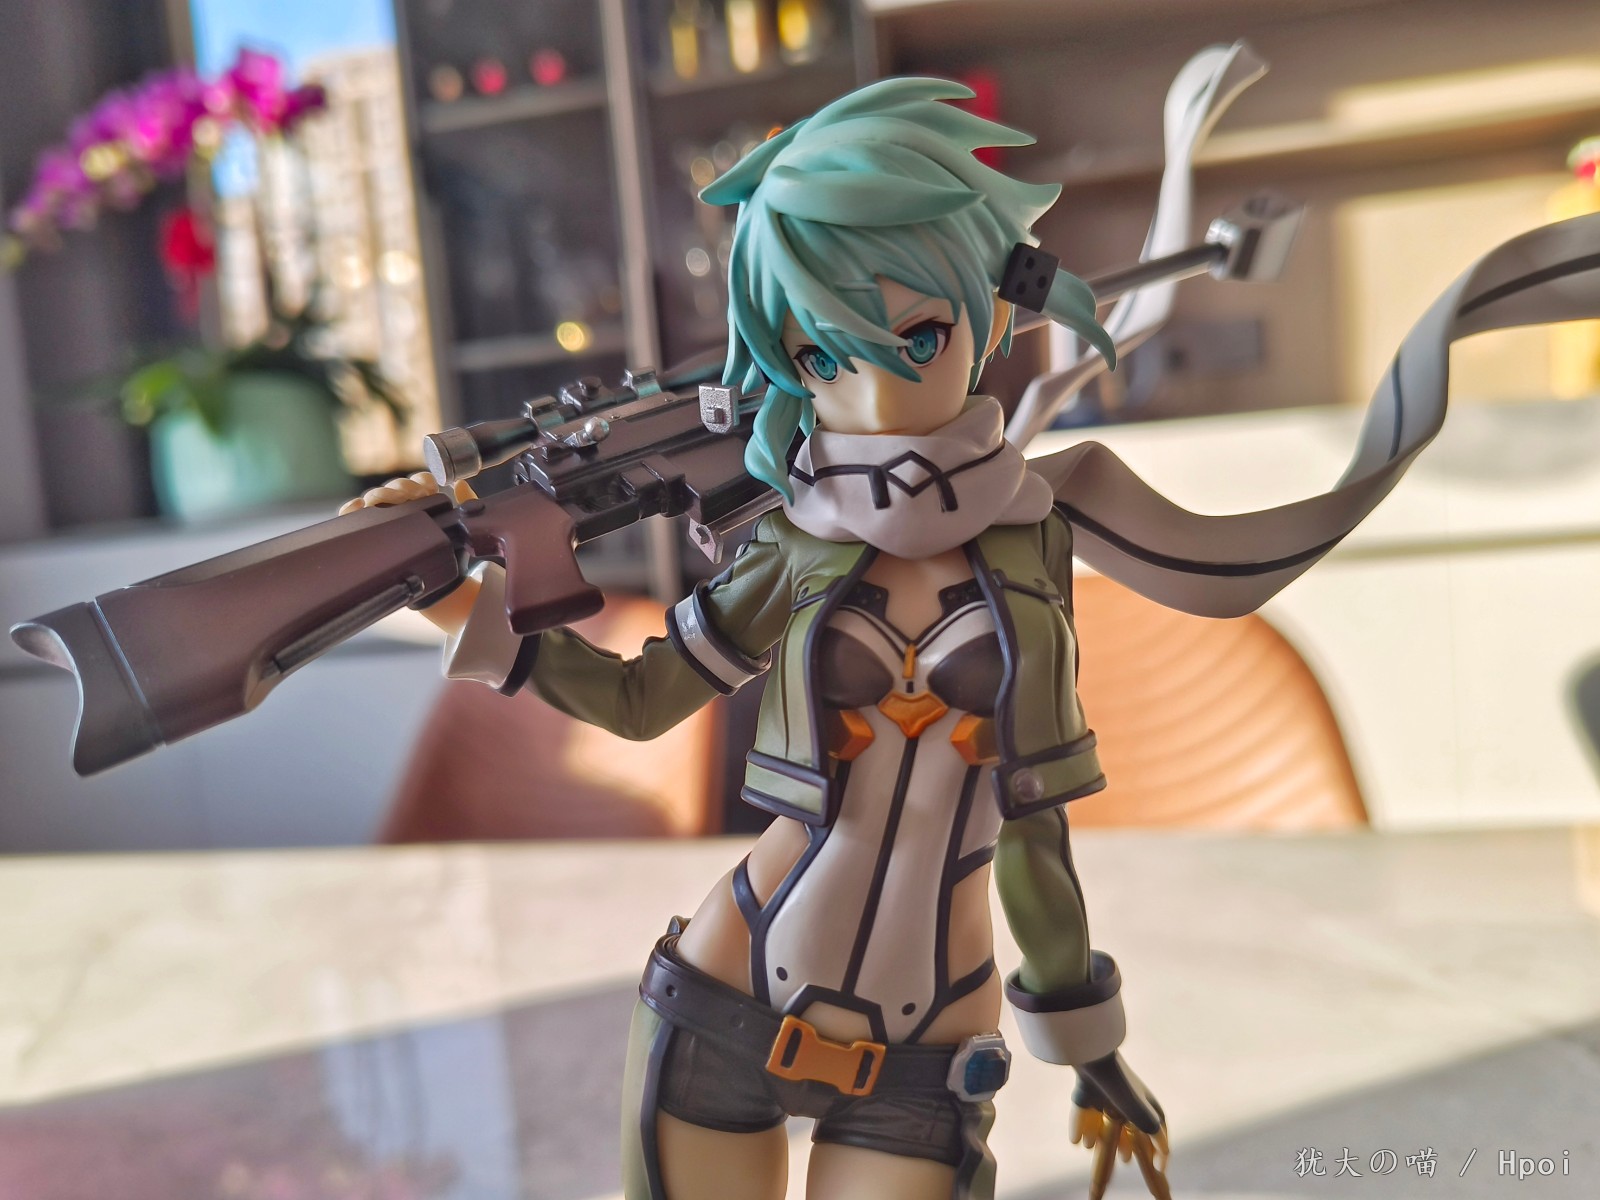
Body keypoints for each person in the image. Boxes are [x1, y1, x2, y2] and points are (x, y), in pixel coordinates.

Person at [350, 78, 1164, 1200]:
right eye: (822, 360)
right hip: (727, 999)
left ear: (989, 309)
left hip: (929, 1048)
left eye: (917, 335)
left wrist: (1088, 1042)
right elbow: (640, 702)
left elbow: (1034, 832)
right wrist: (462, 609)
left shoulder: (1030, 547)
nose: (873, 395)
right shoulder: (797, 541)